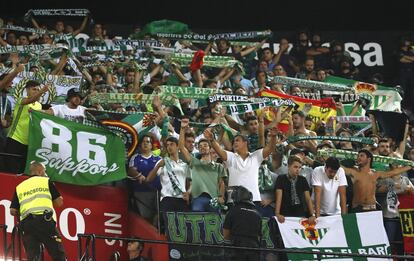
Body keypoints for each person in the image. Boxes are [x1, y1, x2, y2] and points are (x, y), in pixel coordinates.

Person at [204, 124, 278, 206]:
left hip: (254, 199)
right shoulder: (231, 157)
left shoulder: (256, 156)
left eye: (237, 140)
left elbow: (270, 148)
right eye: (234, 141)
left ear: (245, 142)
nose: (235, 143)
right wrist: (212, 140)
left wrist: (273, 137)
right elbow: (219, 150)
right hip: (233, 200)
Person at [9, 161, 66, 261]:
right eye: (45, 171)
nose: (46, 174)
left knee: (33, 258)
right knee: (59, 255)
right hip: (44, 222)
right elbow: (59, 203)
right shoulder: (45, 181)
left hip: (27, 225)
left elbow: (13, 211)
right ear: (40, 171)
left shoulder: (20, 187)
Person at [342, 149, 413, 212]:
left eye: (361, 156)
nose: (358, 158)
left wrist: (410, 166)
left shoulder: (376, 174)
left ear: (369, 159)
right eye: (358, 156)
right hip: (357, 209)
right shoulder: (354, 172)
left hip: (373, 209)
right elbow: (340, 168)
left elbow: (393, 172)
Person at [179, 118, 226, 212]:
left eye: (205, 145)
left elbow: (221, 183)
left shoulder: (219, 166)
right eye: (200, 147)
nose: (202, 148)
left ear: (210, 148)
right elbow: (181, 147)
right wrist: (182, 129)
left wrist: (221, 197)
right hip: (198, 199)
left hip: (214, 198)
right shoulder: (194, 162)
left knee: (215, 223)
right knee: (198, 221)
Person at [5, 80, 49, 174]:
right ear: (27, 90)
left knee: (22, 170)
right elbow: (30, 100)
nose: (36, 91)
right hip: (15, 139)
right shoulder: (21, 100)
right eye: (34, 89)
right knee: (10, 169)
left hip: (30, 142)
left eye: (38, 89)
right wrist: (42, 91)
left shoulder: (39, 105)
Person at [223, 186, 262, 261]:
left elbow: (226, 235)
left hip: (238, 250)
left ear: (235, 198)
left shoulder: (232, 212)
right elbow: (259, 235)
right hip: (254, 250)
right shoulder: (258, 214)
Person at [274, 155, 316, 224]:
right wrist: (277, 213)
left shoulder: (303, 179)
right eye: (295, 167)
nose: (298, 169)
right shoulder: (281, 178)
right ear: (288, 166)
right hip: (285, 214)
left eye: (300, 167)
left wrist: (312, 214)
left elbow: (308, 199)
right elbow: (279, 197)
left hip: (300, 213)